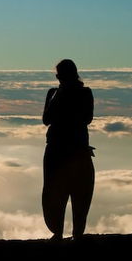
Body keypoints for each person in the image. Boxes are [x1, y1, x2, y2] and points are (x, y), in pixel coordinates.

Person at [41, 59, 95, 241]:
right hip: (66, 148)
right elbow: (46, 119)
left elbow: (86, 118)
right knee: (58, 192)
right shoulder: (55, 93)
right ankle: (63, 233)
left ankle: (71, 233)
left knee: (77, 192)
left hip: (69, 148)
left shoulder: (82, 93)